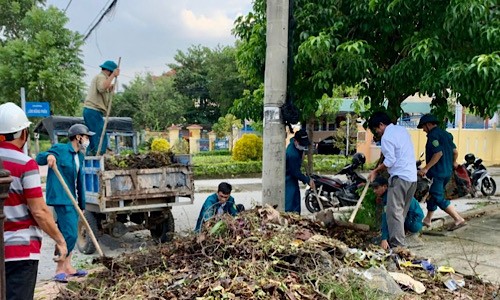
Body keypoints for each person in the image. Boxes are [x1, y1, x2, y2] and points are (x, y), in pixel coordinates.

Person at [0, 102, 68, 299]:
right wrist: (59, 240)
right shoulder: (24, 164)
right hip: (20, 252)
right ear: (23, 133)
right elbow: (39, 211)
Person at [36, 124, 95, 282]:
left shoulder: (80, 156)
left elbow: (80, 182)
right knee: (70, 233)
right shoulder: (60, 149)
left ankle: (68, 267)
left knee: (66, 232)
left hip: (72, 199)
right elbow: (39, 158)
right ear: (78, 137)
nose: (88, 140)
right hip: (60, 197)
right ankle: (59, 268)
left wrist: (82, 205)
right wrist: (49, 157)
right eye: (86, 137)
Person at [368, 111, 417, 248]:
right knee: (401, 213)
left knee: (394, 213)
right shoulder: (402, 130)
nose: (377, 132)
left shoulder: (387, 137)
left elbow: (390, 160)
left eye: (376, 129)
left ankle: (397, 247)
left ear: (381, 124)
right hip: (412, 178)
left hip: (399, 178)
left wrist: (376, 171)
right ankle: (397, 243)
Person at [417, 114, 466, 231]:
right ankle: (427, 220)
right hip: (447, 171)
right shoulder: (447, 135)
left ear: (429, 124)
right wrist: (454, 162)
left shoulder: (433, 136)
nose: (423, 130)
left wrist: (426, 168)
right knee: (433, 195)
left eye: (423, 127)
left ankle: (458, 219)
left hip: (437, 173)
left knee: (437, 196)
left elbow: (438, 154)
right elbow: (455, 151)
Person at [371, 176, 424, 250]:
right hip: (410, 216)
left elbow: (386, 218)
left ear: (385, 186)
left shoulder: (389, 197)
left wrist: (384, 238)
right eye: (373, 188)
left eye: (376, 188)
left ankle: (407, 235)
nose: (374, 191)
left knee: (394, 223)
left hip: (414, 220)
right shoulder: (389, 193)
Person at [83, 60, 120, 155]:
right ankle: (99, 153)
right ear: (109, 71)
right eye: (112, 73)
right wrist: (113, 76)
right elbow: (102, 87)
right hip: (93, 110)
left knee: (94, 133)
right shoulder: (101, 77)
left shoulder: (102, 78)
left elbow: (105, 88)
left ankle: (91, 153)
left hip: (92, 111)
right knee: (98, 133)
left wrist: (110, 87)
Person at [285, 129, 315, 214]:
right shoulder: (292, 154)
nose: (303, 147)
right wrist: (307, 180)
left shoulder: (295, 146)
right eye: (302, 144)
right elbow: (295, 172)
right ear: (296, 141)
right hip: (289, 179)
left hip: (292, 178)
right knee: (291, 204)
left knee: (295, 201)